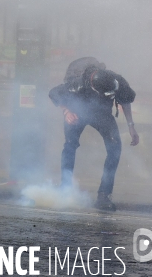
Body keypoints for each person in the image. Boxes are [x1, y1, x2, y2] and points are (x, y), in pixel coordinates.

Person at [49, 63, 139, 211]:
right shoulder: (77, 84)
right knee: (70, 145)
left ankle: (104, 195)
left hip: (102, 115)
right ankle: (65, 189)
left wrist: (131, 126)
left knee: (115, 148)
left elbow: (125, 100)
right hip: (77, 112)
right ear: (93, 86)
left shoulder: (117, 81)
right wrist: (67, 112)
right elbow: (54, 93)